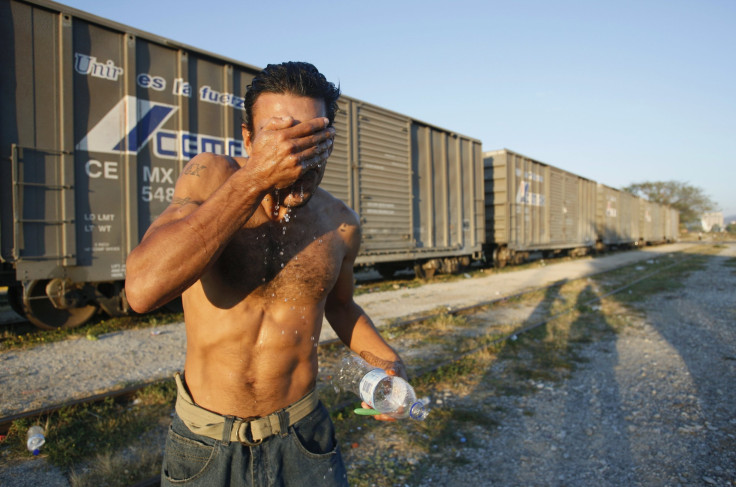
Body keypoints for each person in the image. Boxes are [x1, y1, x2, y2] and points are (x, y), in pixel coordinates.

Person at [124, 61, 408, 486]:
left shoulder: (340, 223)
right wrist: (255, 178)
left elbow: (342, 306)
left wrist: (389, 365)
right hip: (206, 443)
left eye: (313, 139)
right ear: (248, 139)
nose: (297, 156)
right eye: (280, 137)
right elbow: (143, 290)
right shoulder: (212, 178)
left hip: (303, 438)